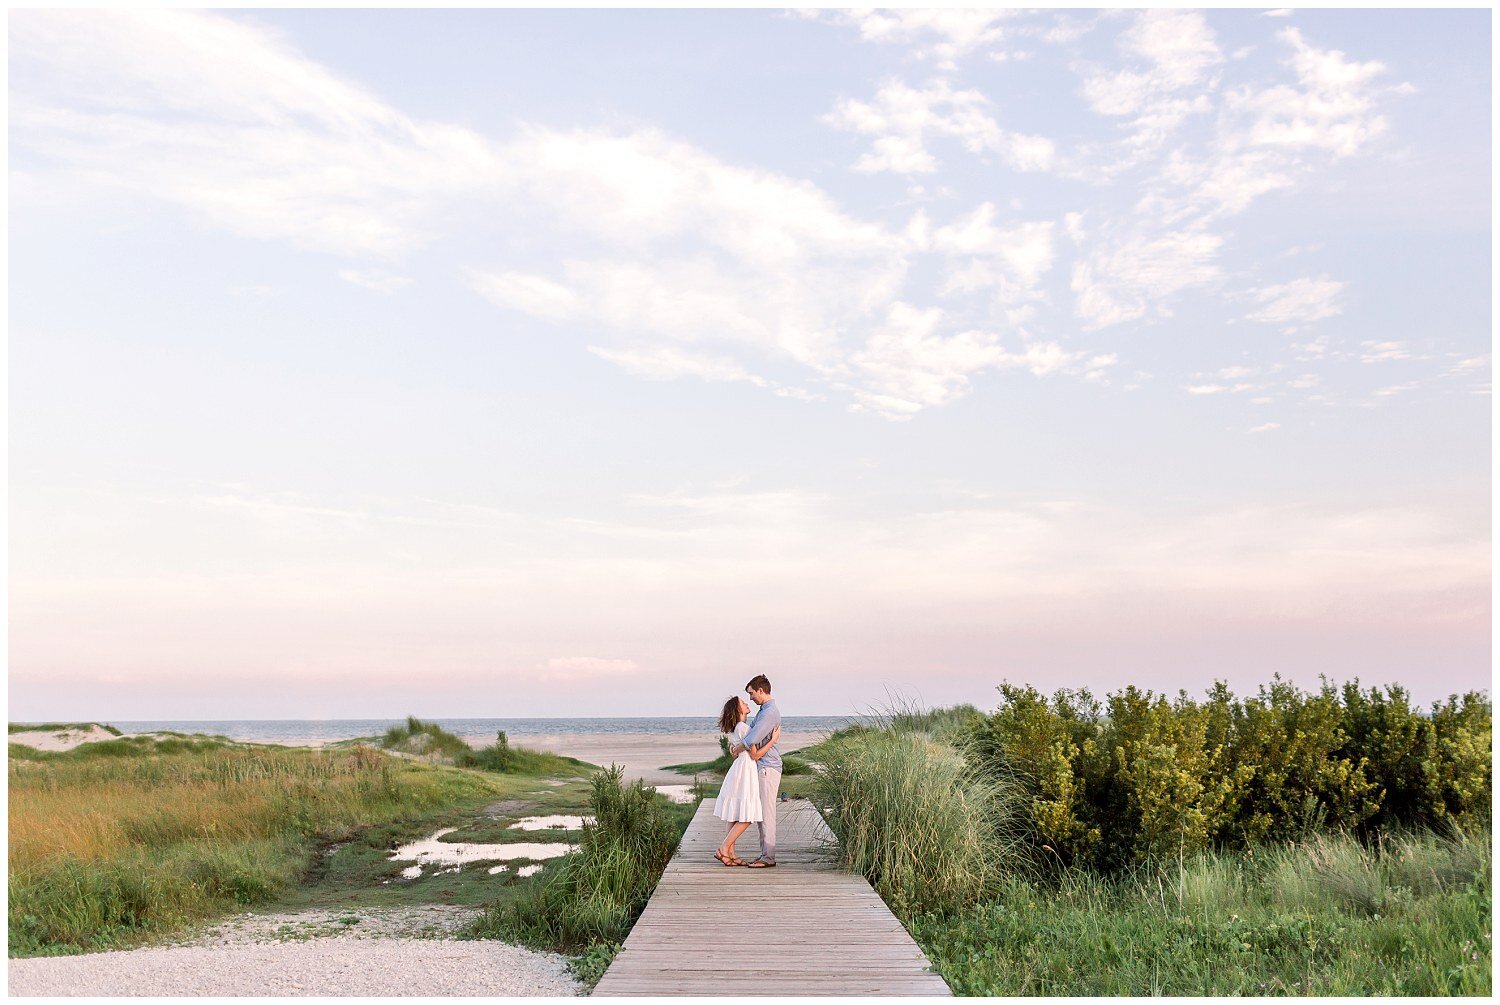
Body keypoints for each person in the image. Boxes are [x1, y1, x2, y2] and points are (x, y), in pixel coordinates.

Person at [712, 696, 780, 866]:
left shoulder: (739, 728)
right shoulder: (744, 728)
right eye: (743, 703)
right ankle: (724, 848)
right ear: (738, 710)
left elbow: (740, 748)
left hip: (739, 768)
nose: (747, 703)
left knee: (735, 813)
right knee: (748, 815)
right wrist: (773, 740)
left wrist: (734, 748)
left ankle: (731, 854)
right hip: (746, 769)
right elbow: (755, 754)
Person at [727, 674, 781, 868]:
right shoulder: (764, 711)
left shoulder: (769, 712)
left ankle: (768, 857)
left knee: (766, 814)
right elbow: (747, 736)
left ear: (761, 690)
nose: (750, 697)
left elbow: (752, 740)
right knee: (762, 814)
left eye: (751, 693)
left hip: (768, 766)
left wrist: (735, 749)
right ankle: (764, 855)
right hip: (763, 766)